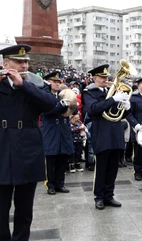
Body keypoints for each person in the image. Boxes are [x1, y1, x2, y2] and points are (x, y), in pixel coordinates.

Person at [0, 44, 57, 241]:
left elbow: (51, 104)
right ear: (6, 63)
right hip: (2, 147)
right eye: (19, 61)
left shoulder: (35, 84)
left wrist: (23, 86)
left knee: (24, 208)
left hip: (28, 148)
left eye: (26, 62)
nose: (24, 65)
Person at [82, 64, 130, 210]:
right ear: (94, 78)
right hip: (101, 132)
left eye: (106, 77)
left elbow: (120, 113)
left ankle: (109, 195)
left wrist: (127, 106)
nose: (105, 79)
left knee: (113, 168)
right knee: (101, 167)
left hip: (115, 132)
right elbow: (94, 109)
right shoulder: (89, 92)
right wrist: (114, 99)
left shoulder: (113, 91)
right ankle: (99, 196)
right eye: (102, 77)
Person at [41, 71, 75, 195]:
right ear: (48, 82)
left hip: (63, 128)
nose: (57, 84)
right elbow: (47, 113)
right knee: (51, 159)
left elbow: (72, 111)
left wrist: (72, 106)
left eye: (59, 81)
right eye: (54, 81)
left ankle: (60, 184)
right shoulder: (44, 95)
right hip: (50, 130)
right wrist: (60, 105)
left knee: (63, 157)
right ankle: (50, 185)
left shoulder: (62, 95)